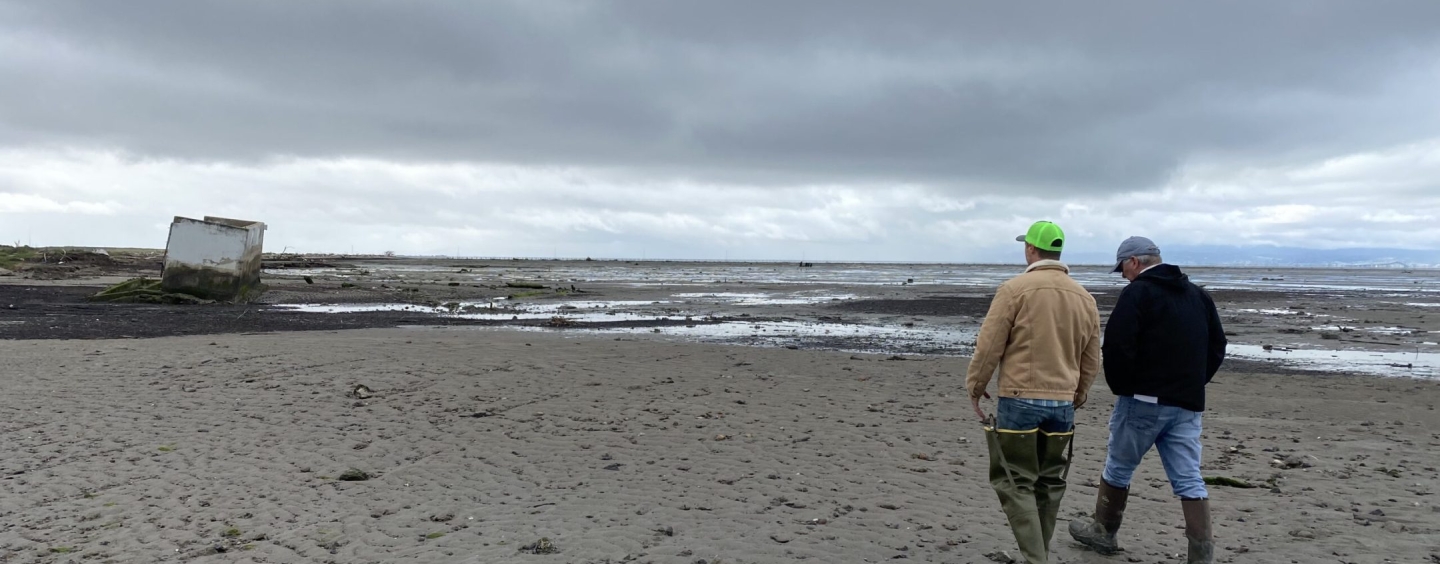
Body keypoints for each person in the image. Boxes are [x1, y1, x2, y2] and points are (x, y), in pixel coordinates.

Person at [1069, 236, 1227, 564]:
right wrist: (1194, 382)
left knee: (1119, 465)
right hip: (1186, 403)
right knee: (1188, 476)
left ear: (1135, 262)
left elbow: (1117, 346)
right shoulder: (1198, 296)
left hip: (1143, 400)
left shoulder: (1138, 293)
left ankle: (1104, 531)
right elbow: (1217, 346)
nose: (1123, 275)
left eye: (1123, 268)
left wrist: (1123, 386)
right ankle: (1202, 553)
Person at [966, 220, 1102, 564]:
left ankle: (1036, 559)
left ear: (1030, 249)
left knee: (1015, 482)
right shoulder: (1084, 298)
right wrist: (1079, 394)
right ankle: (1037, 554)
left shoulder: (1014, 290)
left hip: (1020, 398)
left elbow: (990, 344)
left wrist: (975, 386)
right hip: (1062, 403)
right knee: (1048, 483)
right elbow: (1091, 356)